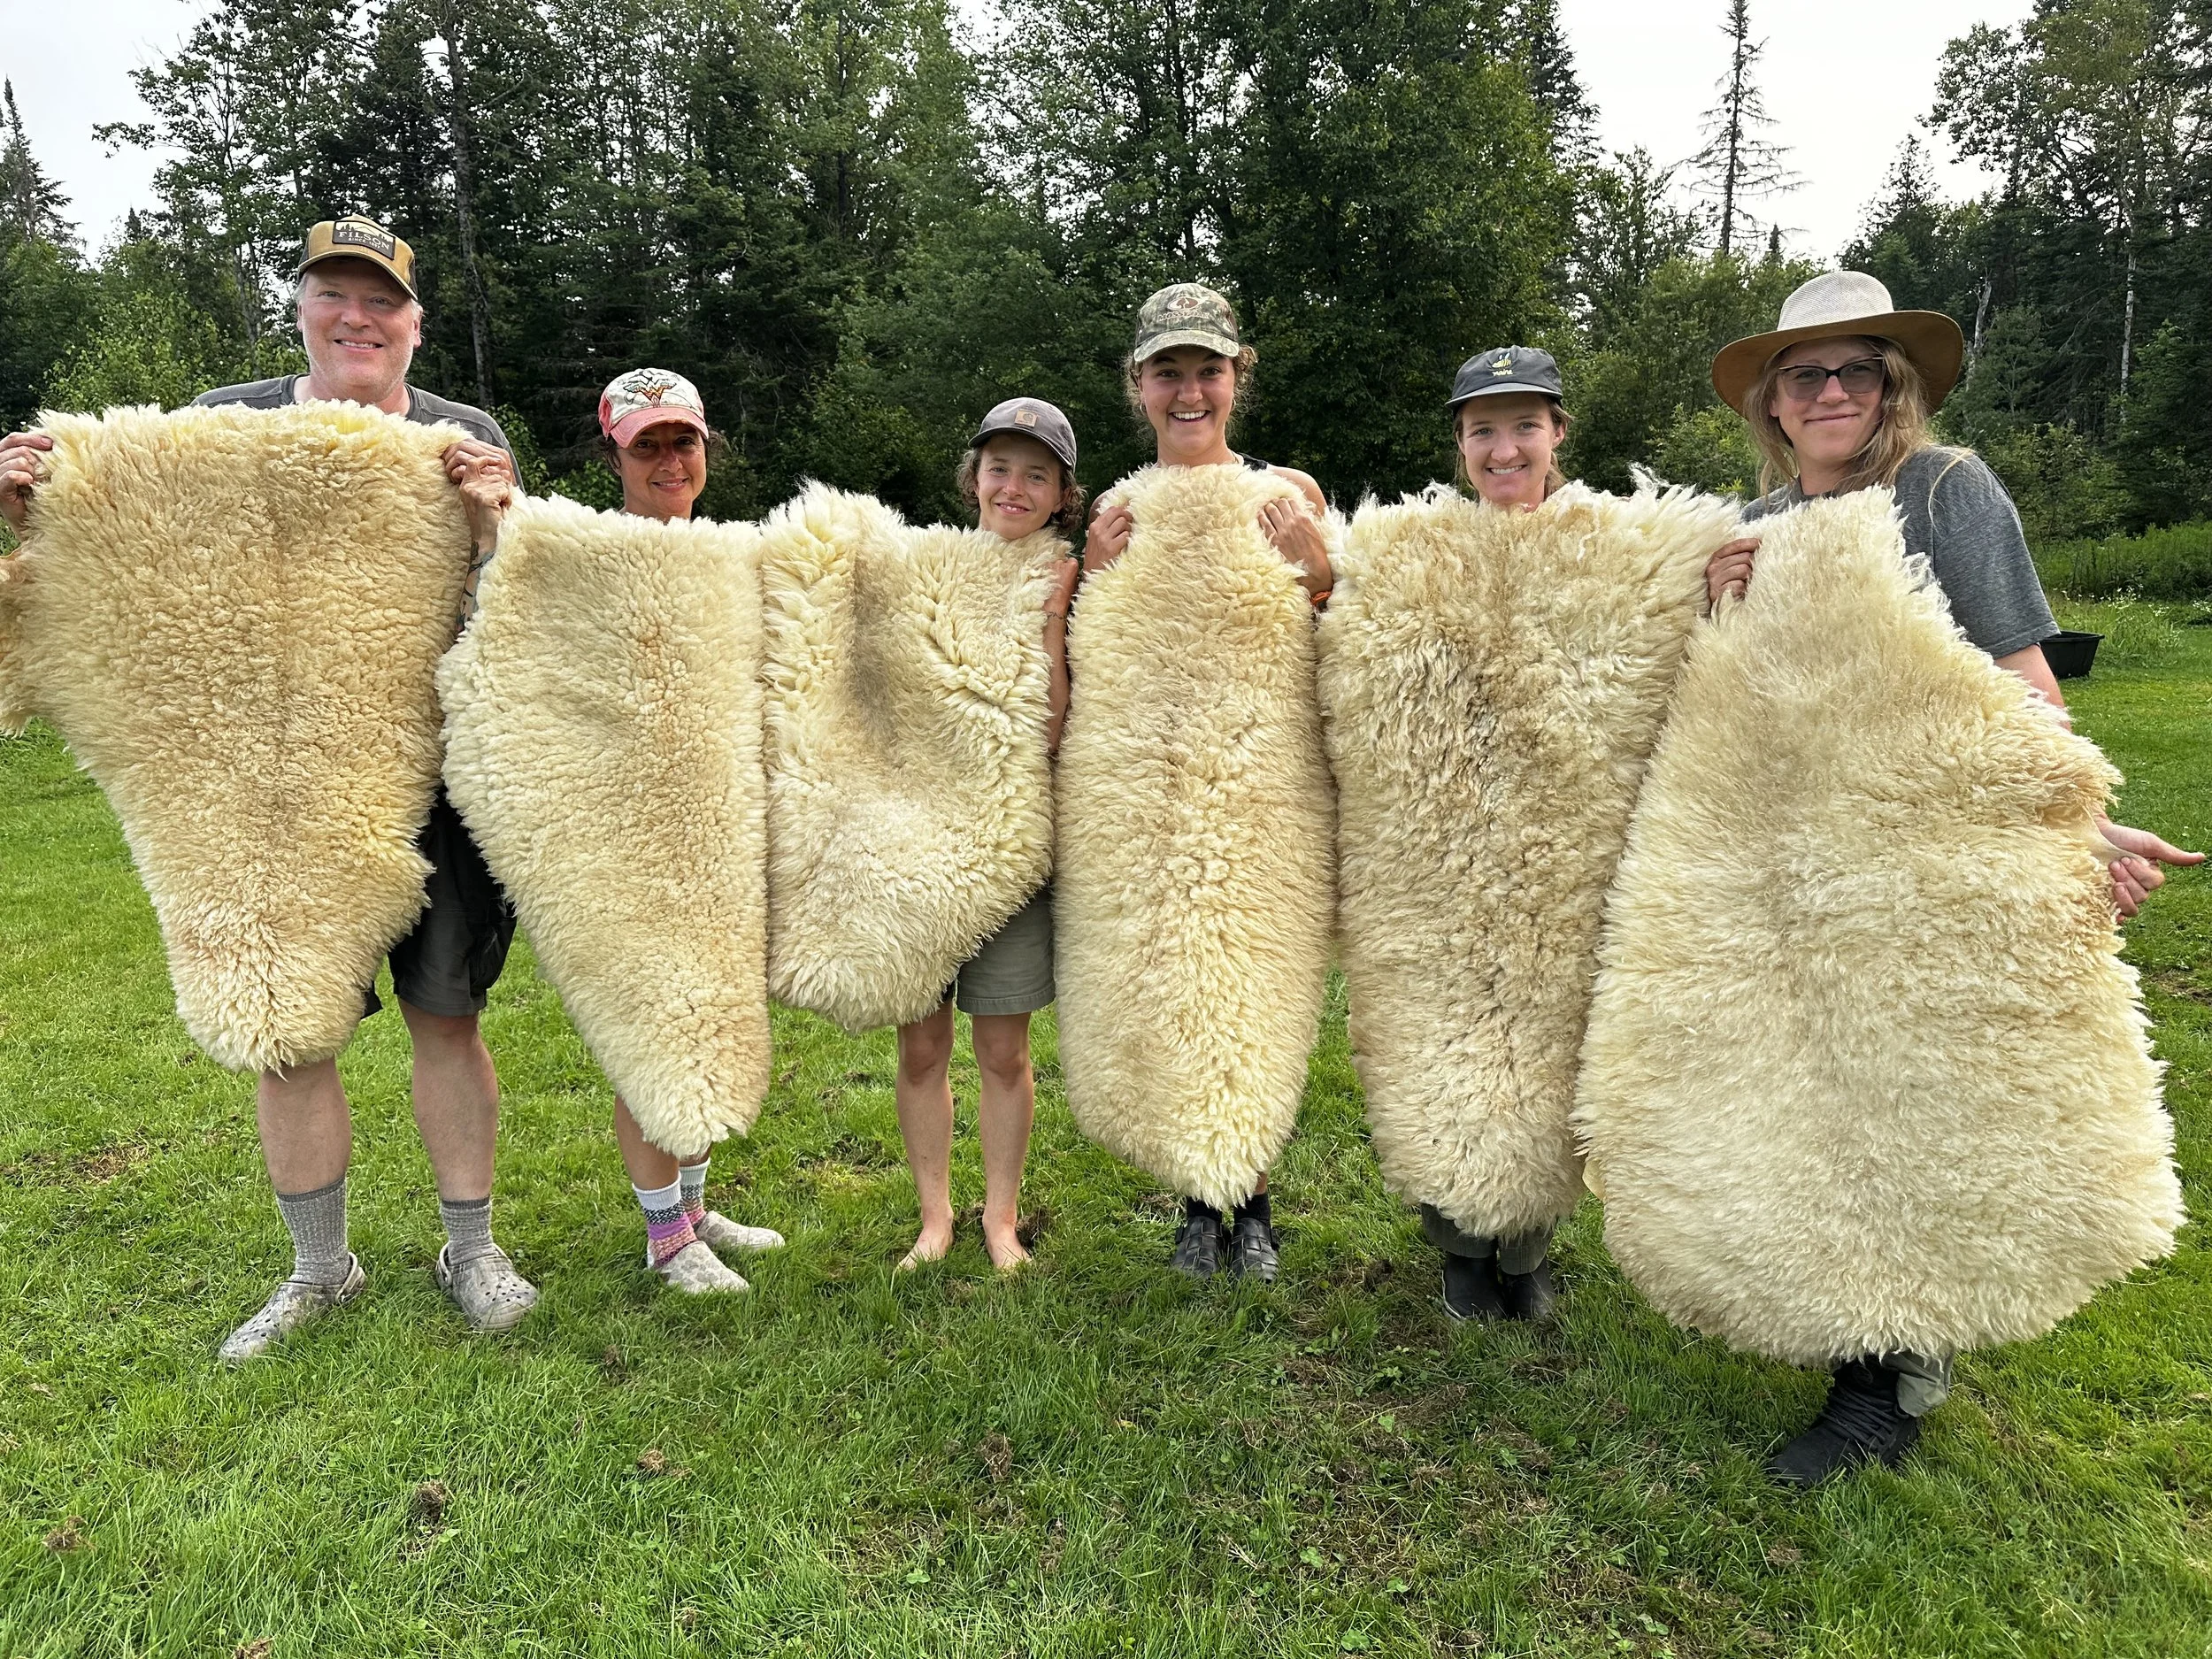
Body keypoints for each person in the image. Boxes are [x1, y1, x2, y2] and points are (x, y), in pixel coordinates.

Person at [0, 215, 535, 1360]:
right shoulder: (214, 429)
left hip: (437, 779)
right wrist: (38, 513)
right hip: (269, 785)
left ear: (413, 323)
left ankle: (472, 1250)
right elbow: (142, 587)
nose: (357, 317)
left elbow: (516, 612)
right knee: (288, 1029)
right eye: (334, 294)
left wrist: (495, 527)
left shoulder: (464, 436)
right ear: (299, 309)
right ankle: (318, 1269)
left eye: (380, 300)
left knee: (449, 1017)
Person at [1702, 269, 2203, 1484]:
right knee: (1822, 1096)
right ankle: (1848, 1316)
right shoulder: (1758, 520)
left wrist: (2078, 827)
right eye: (1805, 373)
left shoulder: (1942, 491)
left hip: (1927, 858)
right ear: (1772, 400)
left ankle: (1889, 1380)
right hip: (1804, 860)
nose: (1830, 392)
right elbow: (1738, 708)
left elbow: (2023, 686)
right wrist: (1718, 610)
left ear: (1894, 387)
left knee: (1913, 1106)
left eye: (1856, 370)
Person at [1083, 282, 1334, 1282]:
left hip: (1266, 786)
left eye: (1207, 371)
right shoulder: (1118, 509)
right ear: (1139, 385)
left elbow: (1346, 640)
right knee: (1181, 985)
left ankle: (1254, 1206)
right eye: (1168, 373)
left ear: (1237, 379)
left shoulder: (1288, 492)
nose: (1189, 391)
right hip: (1155, 789)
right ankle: (1198, 1201)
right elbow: (1096, 654)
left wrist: (1320, 571)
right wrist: (1093, 571)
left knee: (1254, 987)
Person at [588, 367, 788, 1293]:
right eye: (648, 446)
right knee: (651, 1032)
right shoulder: (589, 558)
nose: (669, 460)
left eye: (683, 442)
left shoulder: (733, 556)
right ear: (615, 457)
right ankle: (666, 1237)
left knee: (708, 1019)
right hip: (634, 832)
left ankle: (696, 1210)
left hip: (723, 826)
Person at [1404, 344, 1577, 1324]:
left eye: (1523, 426)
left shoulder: (1615, 547)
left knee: (1548, 1043)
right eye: (1482, 430)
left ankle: (1528, 1245)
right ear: (1461, 445)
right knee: (1452, 1042)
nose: (1503, 448)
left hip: (1563, 842)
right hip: (1446, 839)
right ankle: (1461, 1247)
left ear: (1556, 433)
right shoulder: (1419, 548)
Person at [892, 398, 1085, 1273]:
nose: (1014, 487)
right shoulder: (922, 565)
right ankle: (935, 1218)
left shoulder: (1070, 578)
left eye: (1036, 474)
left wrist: (1050, 615)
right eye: (999, 468)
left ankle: (1000, 1219)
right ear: (973, 478)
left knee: (1004, 1051)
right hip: (923, 850)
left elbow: (1052, 724)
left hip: (1011, 850)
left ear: (1060, 494)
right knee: (921, 1045)